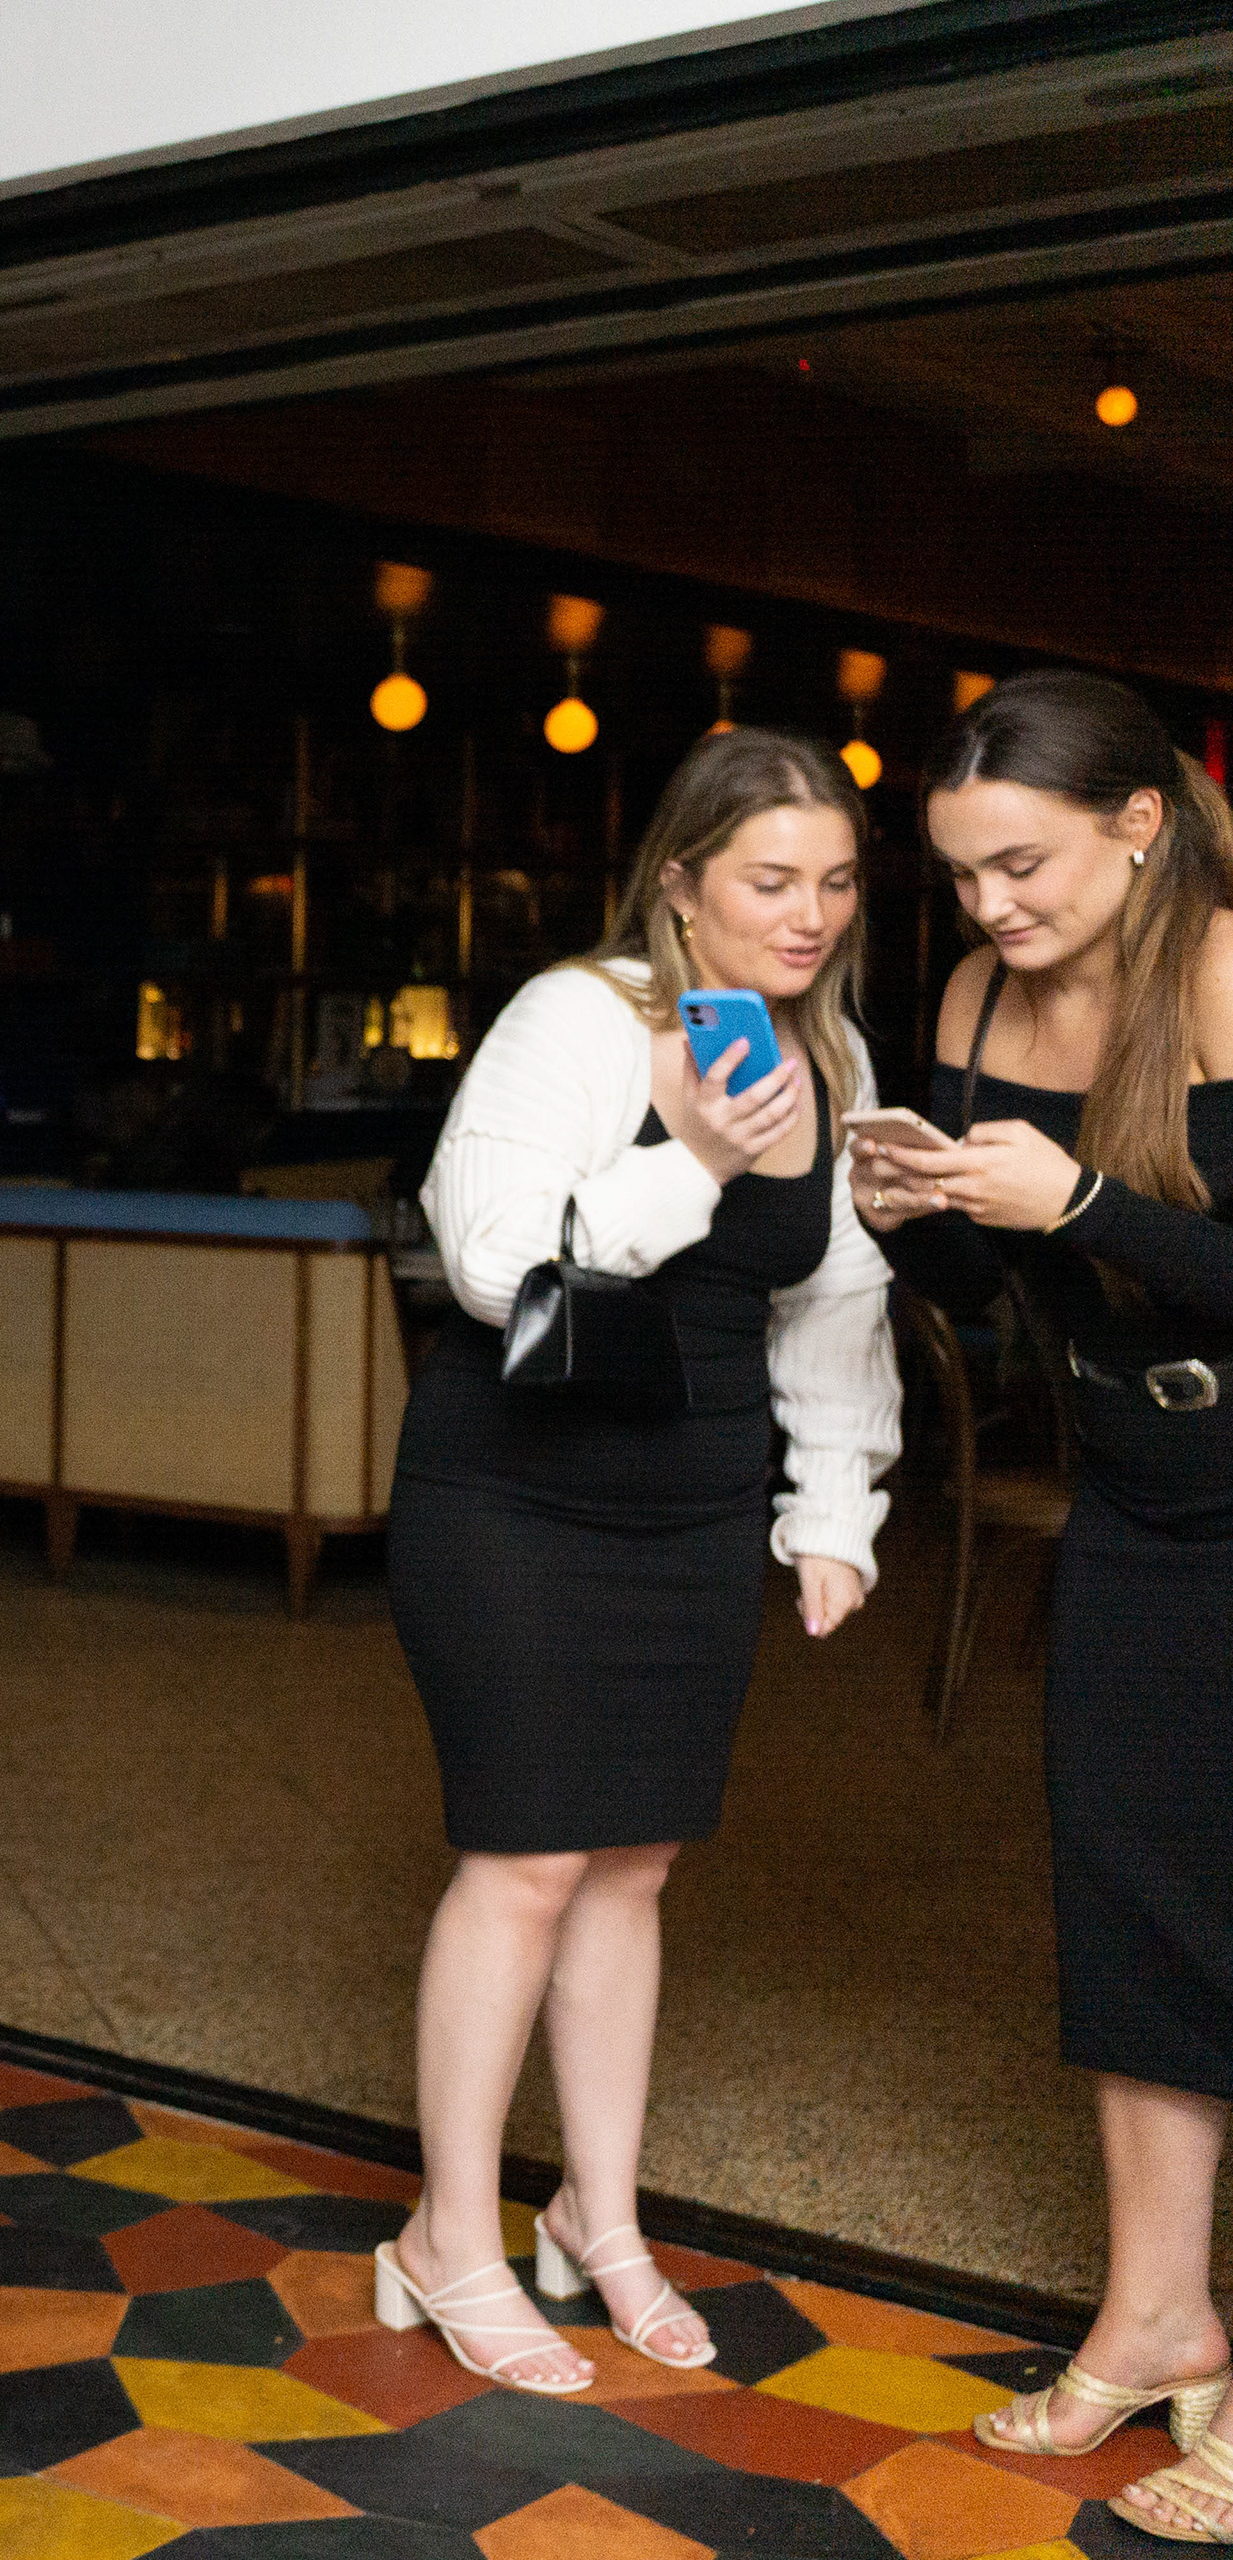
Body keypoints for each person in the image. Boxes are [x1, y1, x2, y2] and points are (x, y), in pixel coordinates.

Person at [381, 729, 897, 2396]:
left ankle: (594, 2220)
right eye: (772, 881)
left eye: (835, 883)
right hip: (515, 1495)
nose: (808, 915)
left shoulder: (834, 1053)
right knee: (528, 1860)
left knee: (633, 1869)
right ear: (681, 882)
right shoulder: (583, 1018)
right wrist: (696, 1157)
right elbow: (491, 1264)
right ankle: (448, 2237)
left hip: (693, 1506)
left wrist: (831, 1511)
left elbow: (835, 1303)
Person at [858, 670, 1233, 2542]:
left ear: (1139, 825)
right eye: (961, 875)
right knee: (1134, 1914)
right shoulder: (973, 1002)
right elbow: (991, 1287)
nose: (989, 906)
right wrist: (909, 1212)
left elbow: (1135, 1236)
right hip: (1139, 1501)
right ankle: (1160, 2314)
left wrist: (1080, 1199)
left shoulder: (1228, 976)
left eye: (1022, 865)